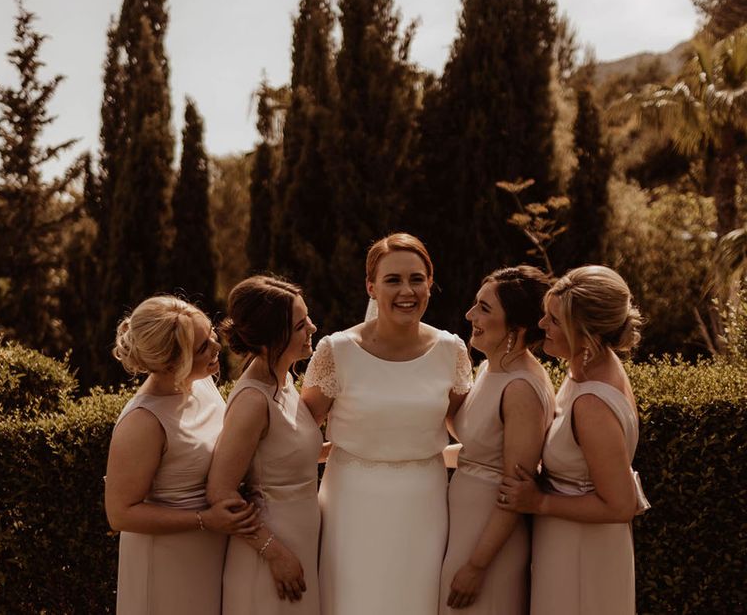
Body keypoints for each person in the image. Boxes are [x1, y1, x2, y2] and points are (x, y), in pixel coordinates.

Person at [301, 233, 473, 615]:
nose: (406, 290)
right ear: (371, 287)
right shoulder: (336, 350)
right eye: (393, 280)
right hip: (351, 504)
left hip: (424, 504)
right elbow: (300, 432)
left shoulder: (452, 350)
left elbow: (469, 428)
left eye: (416, 278)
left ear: (430, 283)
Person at [498, 265, 650, 615]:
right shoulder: (584, 369)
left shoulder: (592, 403)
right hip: (567, 543)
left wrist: (540, 503)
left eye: (553, 320)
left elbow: (620, 505)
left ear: (584, 331)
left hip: (584, 552)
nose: (541, 326)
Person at [105, 295, 260, 615]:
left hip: (213, 553)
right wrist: (205, 520)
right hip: (167, 564)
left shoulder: (200, 385)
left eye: (212, 335)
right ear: (171, 362)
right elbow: (120, 514)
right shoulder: (143, 421)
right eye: (203, 347)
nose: (217, 347)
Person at [439, 266, 556, 613]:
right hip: (463, 526)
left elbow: (515, 487)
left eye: (485, 309)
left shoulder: (520, 388)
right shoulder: (492, 367)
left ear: (516, 329)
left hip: (488, 541)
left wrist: (477, 566)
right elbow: (478, 445)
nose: (470, 315)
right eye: (476, 304)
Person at [207, 276, 323, 615]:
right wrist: (275, 553)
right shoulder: (253, 400)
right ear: (270, 339)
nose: (313, 328)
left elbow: (287, 452)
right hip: (270, 552)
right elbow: (220, 492)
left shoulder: (285, 378)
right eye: (301, 325)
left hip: (301, 540)